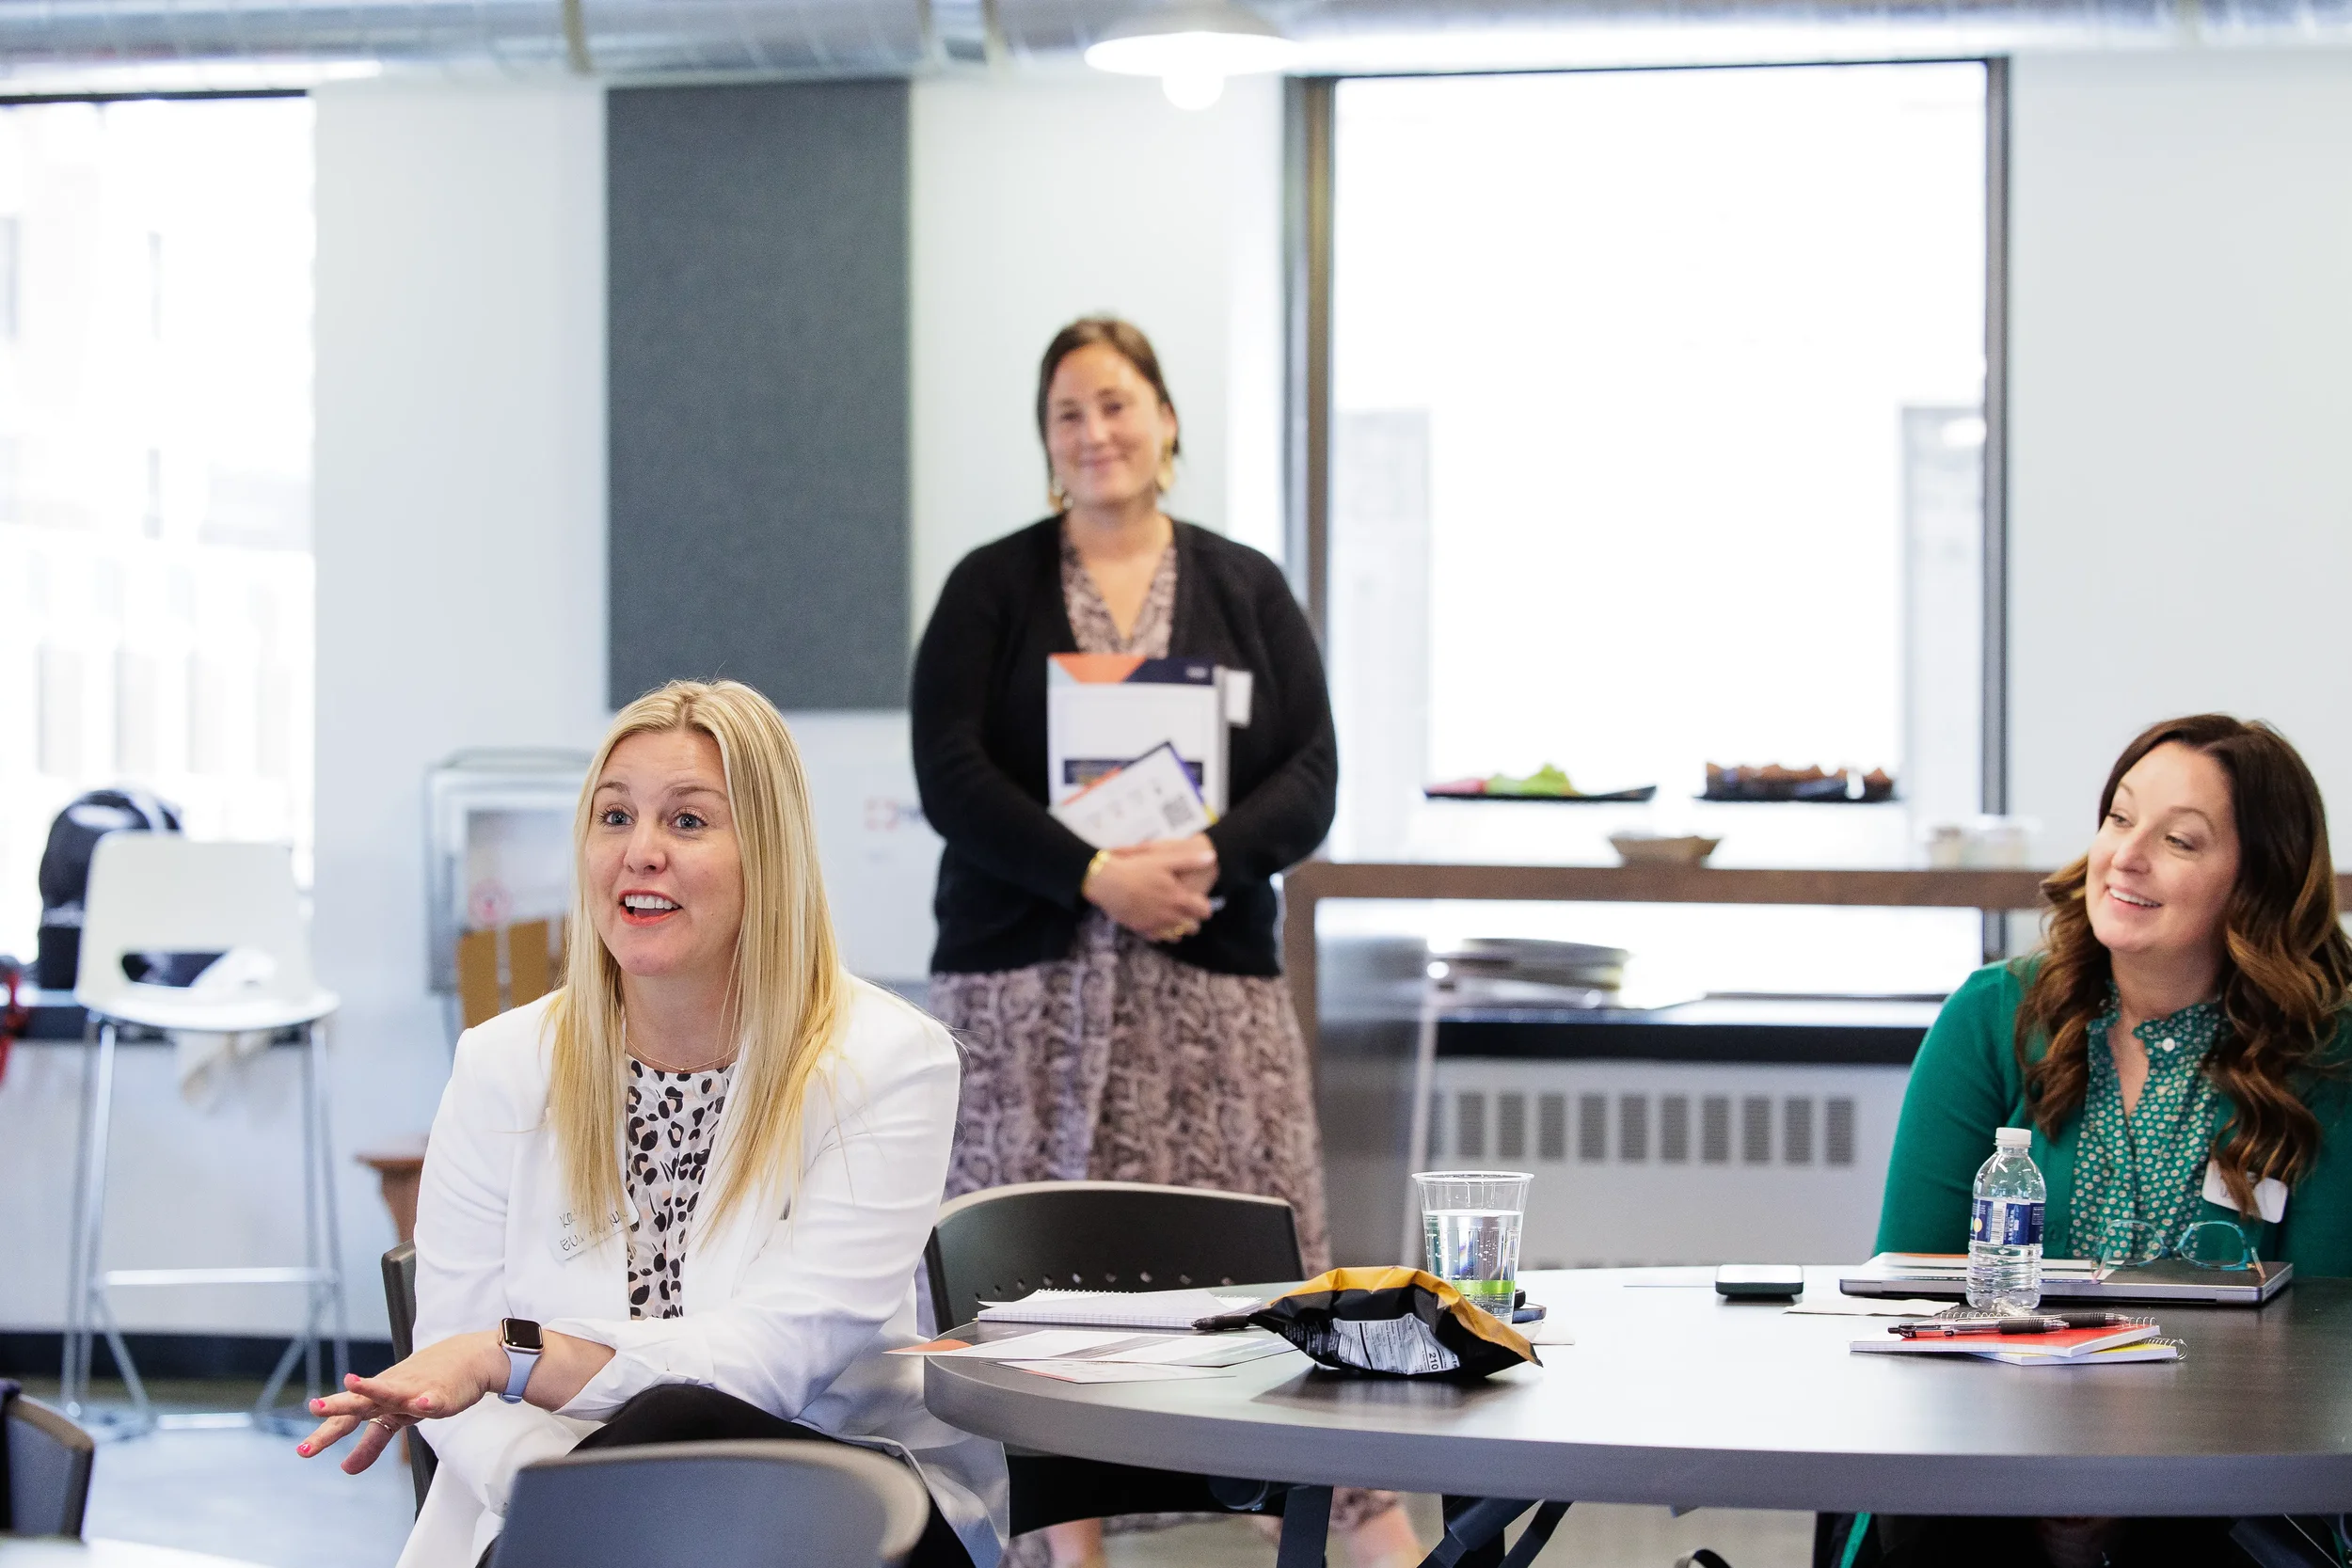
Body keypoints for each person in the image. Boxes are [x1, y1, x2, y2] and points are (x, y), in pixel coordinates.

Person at [909, 317, 1422, 1568]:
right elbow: (949, 769)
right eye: (1069, 412)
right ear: (1046, 442)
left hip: (1205, 996)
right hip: (1026, 1003)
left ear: (1168, 421)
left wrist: (1207, 859)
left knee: (1270, 1276)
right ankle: (1062, 1541)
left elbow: (1313, 769)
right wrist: (1092, 873)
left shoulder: (1245, 584)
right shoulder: (993, 584)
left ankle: (1360, 1521)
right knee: (1030, 1295)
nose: (1096, 432)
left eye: (1118, 404)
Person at [297, 680, 1006, 1568]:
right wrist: (578, 1506)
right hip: (544, 1507)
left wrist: (515, 1356)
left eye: (688, 821)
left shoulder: (888, 1061)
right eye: (614, 816)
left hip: (845, 1509)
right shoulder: (501, 1063)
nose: (641, 852)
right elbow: (455, 1377)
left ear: (769, 854)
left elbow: (764, 1368)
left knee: (681, 1420)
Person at [1870, 714, 2352, 1568]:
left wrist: (2135, 1485)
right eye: (2119, 818)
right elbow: (1910, 1295)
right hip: (1991, 1476)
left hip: (2232, 1496)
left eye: (2179, 839)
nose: (2127, 855)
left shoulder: (2331, 1054)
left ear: (2257, 882)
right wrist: (2046, 1477)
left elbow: (2324, 1342)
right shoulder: (1992, 1018)